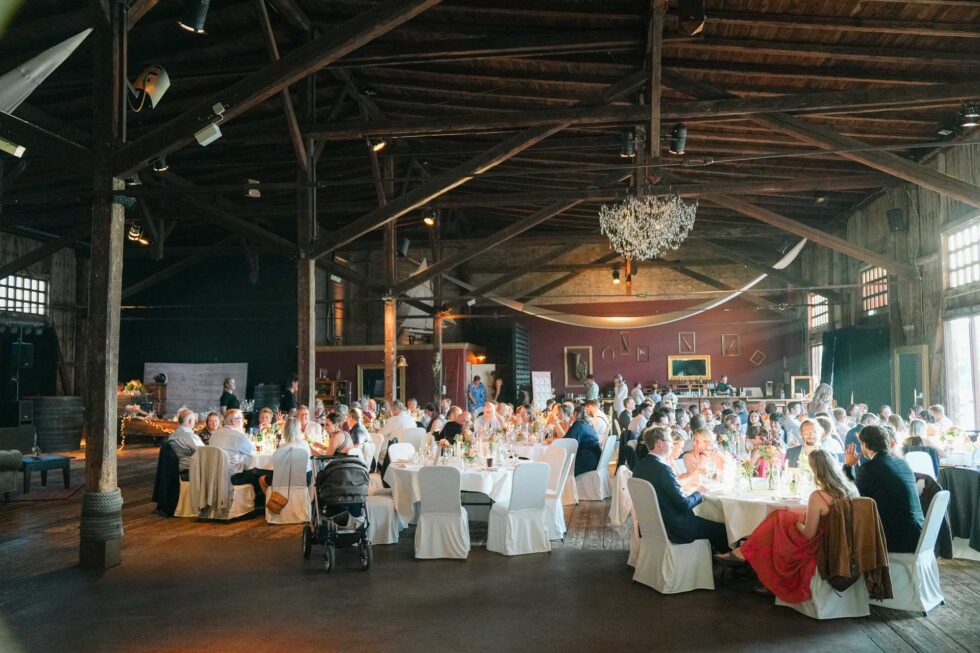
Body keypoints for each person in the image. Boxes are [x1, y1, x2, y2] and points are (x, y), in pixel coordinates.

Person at [716, 449, 858, 600]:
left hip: (819, 543)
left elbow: (808, 534)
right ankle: (745, 556)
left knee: (776, 531)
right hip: (839, 539)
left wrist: (799, 524)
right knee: (779, 518)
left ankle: (745, 556)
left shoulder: (818, 496)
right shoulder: (851, 488)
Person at [632, 427, 730, 553]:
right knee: (721, 527)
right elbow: (683, 505)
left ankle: (709, 557)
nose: (673, 446)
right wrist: (700, 492)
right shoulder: (663, 470)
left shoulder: (639, 466)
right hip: (674, 528)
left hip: (653, 526)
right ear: (659, 443)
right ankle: (731, 562)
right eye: (670, 442)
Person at [844, 425, 924, 553]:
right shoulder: (902, 463)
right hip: (919, 533)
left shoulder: (870, 469)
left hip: (897, 539)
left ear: (864, 444)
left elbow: (849, 494)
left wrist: (848, 465)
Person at [561, 407, 602, 477]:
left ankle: (562, 487)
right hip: (595, 460)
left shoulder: (578, 425)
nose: (571, 416)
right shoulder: (588, 425)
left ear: (575, 414)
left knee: (558, 464)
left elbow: (566, 444)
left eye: (572, 414)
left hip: (585, 462)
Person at [167, 408, 204, 479]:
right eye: (194, 420)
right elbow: (204, 451)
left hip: (175, 470)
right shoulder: (191, 437)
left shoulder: (172, 436)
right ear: (190, 421)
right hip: (190, 471)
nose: (195, 421)